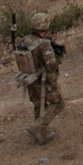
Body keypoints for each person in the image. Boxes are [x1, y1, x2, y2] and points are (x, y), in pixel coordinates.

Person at [17, 12, 65, 145]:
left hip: (31, 79)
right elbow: (50, 66)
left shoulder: (25, 40)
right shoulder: (43, 44)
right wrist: (59, 57)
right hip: (43, 80)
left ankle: (40, 134)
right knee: (58, 103)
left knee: (39, 104)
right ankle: (37, 128)